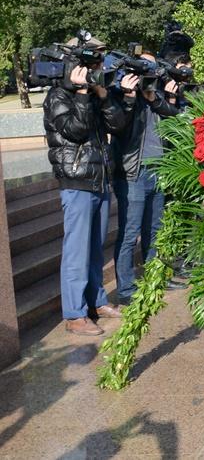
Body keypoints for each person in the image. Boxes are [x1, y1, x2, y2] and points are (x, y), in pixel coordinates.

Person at [43, 34, 130, 336]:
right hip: (76, 180)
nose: (96, 66)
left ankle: (96, 301)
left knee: (94, 248)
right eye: (90, 60)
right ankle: (74, 315)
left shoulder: (92, 93)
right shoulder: (57, 97)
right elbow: (76, 131)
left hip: (99, 178)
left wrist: (102, 96)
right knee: (77, 250)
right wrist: (81, 94)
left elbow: (117, 126)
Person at [110, 52, 182, 305]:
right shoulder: (121, 95)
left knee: (155, 229)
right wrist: (129, 97)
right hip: (133, 173)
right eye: (145, 66)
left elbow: (174, 117)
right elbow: (117, 126)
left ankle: (154, 278)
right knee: (130, 233)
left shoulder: (154, 94)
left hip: (158, 170)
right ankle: (126, 289)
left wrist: (155, 97)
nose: (149, 71)